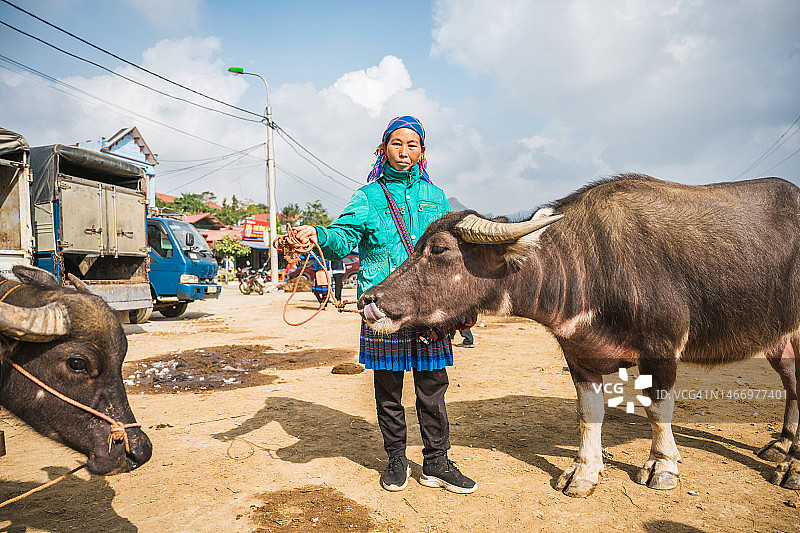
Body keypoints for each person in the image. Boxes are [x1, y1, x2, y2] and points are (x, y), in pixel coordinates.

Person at [292, 116, 476, 494]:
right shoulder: (368, 197)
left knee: (432, 387)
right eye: (397, 143)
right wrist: (317, 235)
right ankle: (396, 459)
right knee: (388, 389)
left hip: (428, 307)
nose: (404, 151)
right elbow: (342, 238)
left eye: (412, 145)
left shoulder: (436, 197)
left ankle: (436, 462)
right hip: (383, 306)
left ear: (422, 152)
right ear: (383, 148)